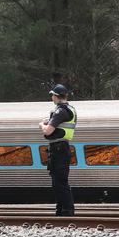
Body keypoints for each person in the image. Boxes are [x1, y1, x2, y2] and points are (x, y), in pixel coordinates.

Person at [40, 84, 76, 216]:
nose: (51, 98)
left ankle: (67, 211)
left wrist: (41, 125)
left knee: (60, 181)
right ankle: (61, 210)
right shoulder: (67, 110)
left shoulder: (61, 111)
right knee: (57, 181)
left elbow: (48, 130)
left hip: (59, 149)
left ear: (56, 96)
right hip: (60, 148)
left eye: (52, 95)